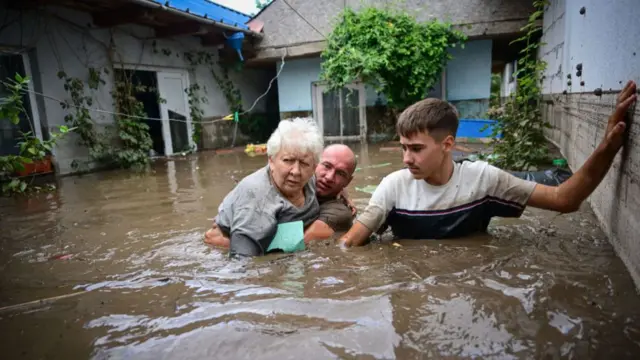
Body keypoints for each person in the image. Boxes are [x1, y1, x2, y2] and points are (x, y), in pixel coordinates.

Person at [339, 80, 637, 247]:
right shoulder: (393, 187)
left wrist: (607, 147)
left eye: (416, 149)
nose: (406, 159)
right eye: (403, 148)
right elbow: (348, 245)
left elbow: (565, 199)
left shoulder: (484, 179)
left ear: (448, 145)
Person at [205, 144, 358, 248]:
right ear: (314, 163)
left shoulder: (339, 214)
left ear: (348, 181)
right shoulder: (300, 176)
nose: (330, 177)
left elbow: (295, 244)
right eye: (326, 166)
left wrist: (225, 243)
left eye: (340, 174)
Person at [213, 117, 324, 257]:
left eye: (304, 163)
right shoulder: (256, 194)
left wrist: (343, 195)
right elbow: (242, 260)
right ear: (271, 161)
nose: (296, 171)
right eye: (288, 160)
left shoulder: (312, 180)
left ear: (314, 167)